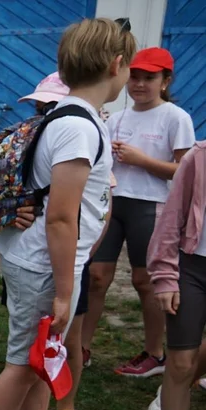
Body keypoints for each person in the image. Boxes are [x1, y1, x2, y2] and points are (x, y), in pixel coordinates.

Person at [0, 17, 134, 410]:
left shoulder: (75, 117)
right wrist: (62, 289)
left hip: (48, 262)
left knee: (41, 362)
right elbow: (60, 217)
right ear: (117, 65)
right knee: (21, 364)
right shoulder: (78, 126)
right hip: (44, 266)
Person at [2, 71, 104, 410]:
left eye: (50, 105)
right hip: (43, 257)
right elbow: (29, 198)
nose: (44, 113)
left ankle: (65, 407)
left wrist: (82, 253)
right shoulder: (61, 130)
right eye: (41, 106)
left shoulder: (85, 130)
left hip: (65, 256)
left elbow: (99, 206)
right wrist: (13, 211)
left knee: (65, 342)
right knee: (30, 351)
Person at [82, 47, 195, 377]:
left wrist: (140, 159)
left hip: (152, 205)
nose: (140, 84)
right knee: (97, 277)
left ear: (165, 81)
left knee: (146, 281)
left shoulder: (176, 117)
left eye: (150, 78)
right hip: (114, 202)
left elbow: (184, 170)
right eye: (135, 77)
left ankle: (154, 353)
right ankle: (82, 346)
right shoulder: (116, 118)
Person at [140, 140, 206, 410]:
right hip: (192, 268)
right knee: (180, 362)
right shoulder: (198, 157)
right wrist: (165, 278)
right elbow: (170, 220)